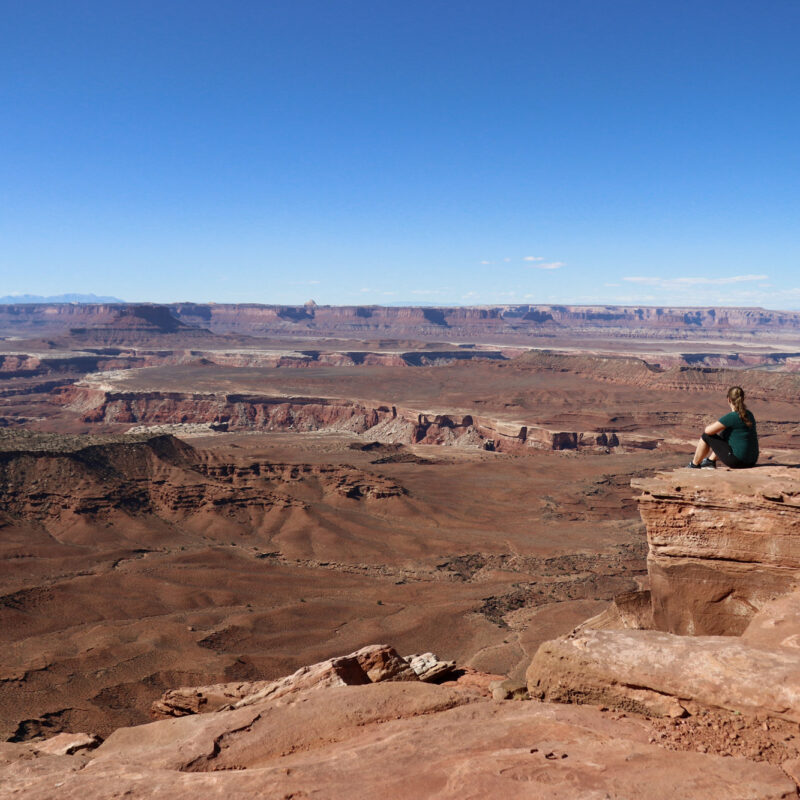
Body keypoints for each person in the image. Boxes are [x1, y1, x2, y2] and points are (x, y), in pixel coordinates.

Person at [687, 386, 758, 469]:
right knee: (726, 433)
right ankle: (710, 461)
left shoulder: (732, 417)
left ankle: (694, 465)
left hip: (738, 462)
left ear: (729, 399)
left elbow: (708, 431)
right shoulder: (749, 414)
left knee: (706, 436)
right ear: (743, 399)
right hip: (752, 461)